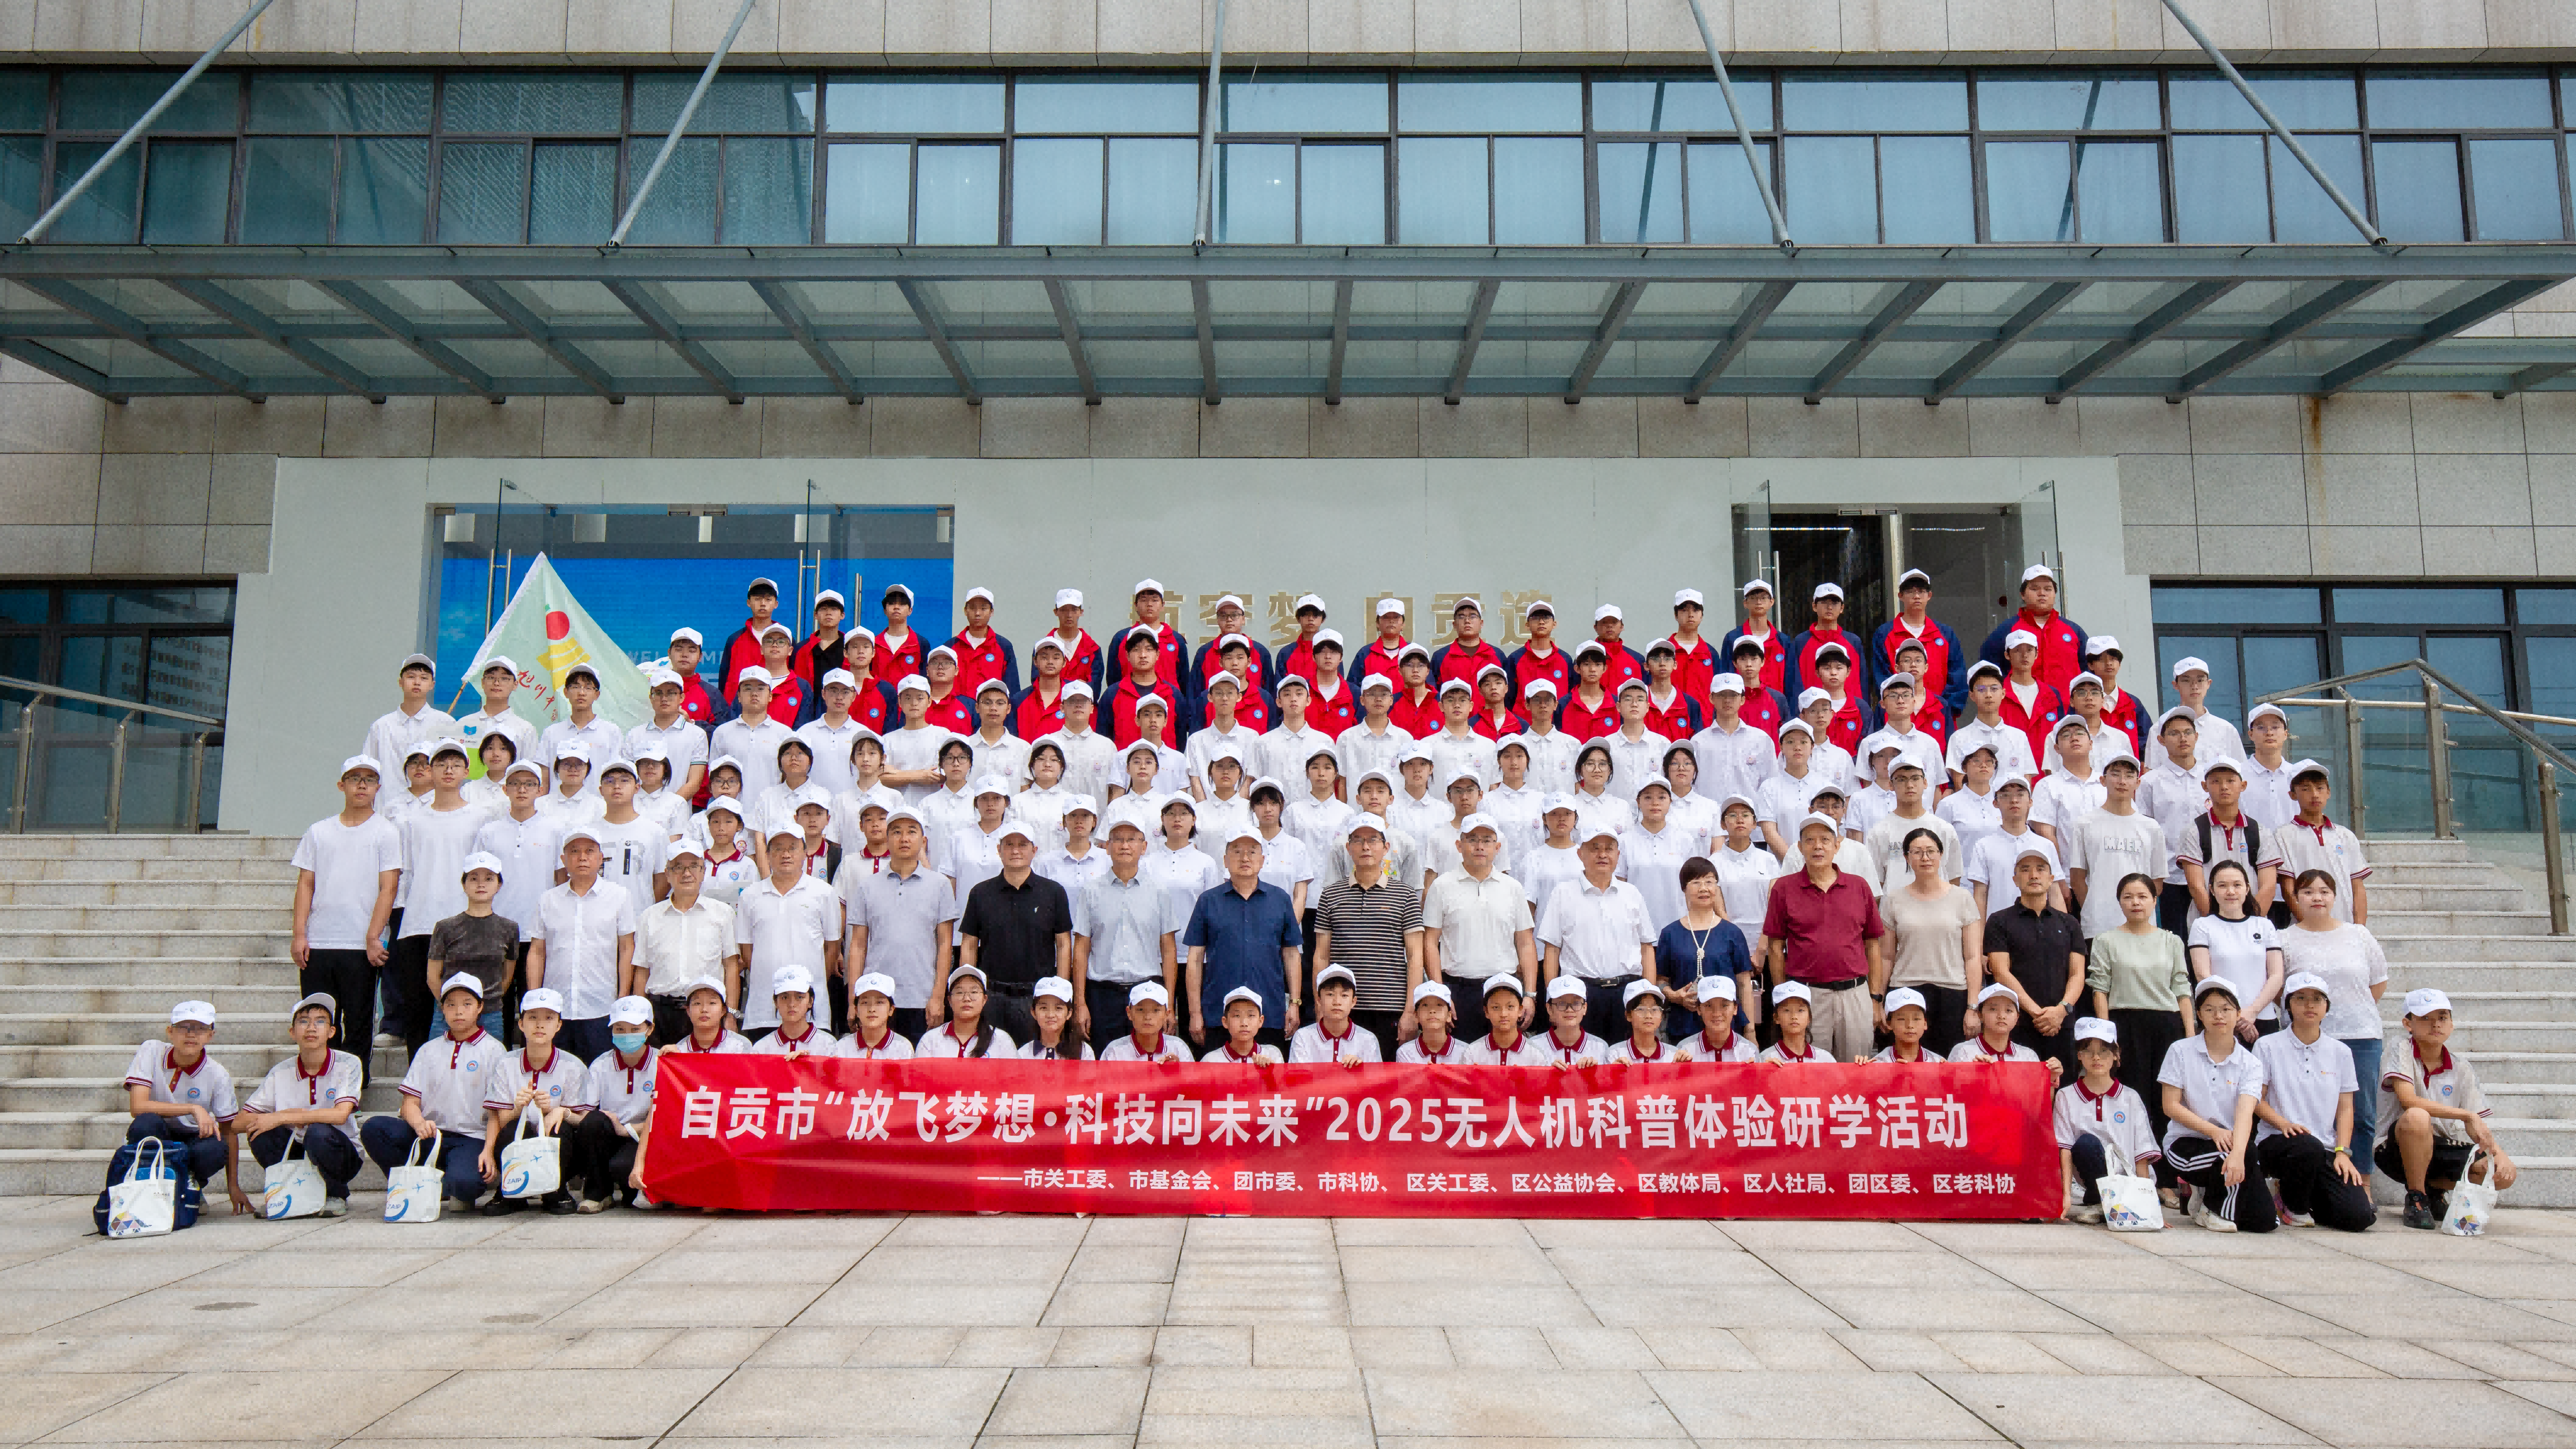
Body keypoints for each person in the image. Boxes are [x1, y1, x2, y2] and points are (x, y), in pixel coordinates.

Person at [360, 973, 506, 1213]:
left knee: (466, 1184)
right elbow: (409, 1103)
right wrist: (419, 1123)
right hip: (430, 1135)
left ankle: (445, 1185)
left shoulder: (494, 1051)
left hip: (471, 1139)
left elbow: (495, 1113)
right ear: (442, 1009)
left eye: (467, 1004)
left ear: (480, 1007)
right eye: (451, 1005)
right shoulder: (429, 1050)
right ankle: (416, 1183)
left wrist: (489, 1151)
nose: (459, 1011)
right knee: (374, 1129)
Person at [291, 756, 402, 1070]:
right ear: (342, 785)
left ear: (378, 787)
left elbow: (389, 888)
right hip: (319, 941)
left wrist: (373, 936)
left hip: (359, 944)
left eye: (370, 779)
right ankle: (319, 1076)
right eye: (355, 779)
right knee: (318, 1018)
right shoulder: (319, 832)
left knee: (358, 1018)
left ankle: (354, 1084)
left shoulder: (386, 832)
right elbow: (306, 884)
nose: (362, 785)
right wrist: (299, 934)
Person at [2276, 868, 2391, 1164]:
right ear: (2296, 897)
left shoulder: (2358, 934)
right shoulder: (2283, 939)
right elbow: (2278, 989)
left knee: (2362, 1112)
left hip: (2360, 1035)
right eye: (2308, 892)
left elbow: (2378, 983)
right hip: (2306, 1039)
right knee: (2307, 1110)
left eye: (2324, 892)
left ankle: (2361, 1178)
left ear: (2335, 897)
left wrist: (2349, 1008)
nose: (2317, 898)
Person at [2381, 987, 2517, 1230]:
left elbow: (2475, 1122)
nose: (2436, 1024)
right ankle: (2417, 1199)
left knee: (2499, 1172)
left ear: (2452, 1024)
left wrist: (2497, 1152)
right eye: (2425, 1018)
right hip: (2395, 1147)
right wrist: (2466, 1115)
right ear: (2408, 1024)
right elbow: (2408, 1100)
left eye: (2443, 1018)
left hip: (2438, 1146)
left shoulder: (2461, 1067)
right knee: (2417, 1117)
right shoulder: (2399, 1048)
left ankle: (2434, 1191)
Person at [2251, 972, 2377, 1232]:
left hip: (2324, 1148)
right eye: (2301, 998)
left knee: (2359, 1217)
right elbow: (2255, 1100)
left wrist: (2342, 1152)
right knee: (2307, 1145)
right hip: (2278, 1142)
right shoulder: (2267, 1046)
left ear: (2326, 1007)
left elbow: (2345, 1109)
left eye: (2317, 999)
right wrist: (2284, 1124)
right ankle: (2292, 1205)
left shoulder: (2341, 1052)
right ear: (2288, 1005)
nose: (2310, 1005)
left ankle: (2307, 1198)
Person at [1760, 812, 1885, 1061]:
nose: (1818, 846)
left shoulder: (1859, 887)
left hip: (1855, 993)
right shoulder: (1784, 889)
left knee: (1857, 1070)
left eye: (1825, 840)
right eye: (1810, 840)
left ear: (1837, 846)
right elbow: (1775, 948)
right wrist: (1785, 999)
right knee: (1810, 1072)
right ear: (1800, 847)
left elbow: (1872, 944)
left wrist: (1875, 998)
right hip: (1808, 996)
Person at [2158, 978, 2275, 1233]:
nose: (2218, 1016)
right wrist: (2214, 1132)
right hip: (2185, 1143)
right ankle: (2210, 1209)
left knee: (2264, 1221)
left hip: (2228, 1144)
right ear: (2199, 1014)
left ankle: (2207, 1195)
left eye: (2226, 1009)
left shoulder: (2251, 1063)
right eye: (2209, 1009)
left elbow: (2246, 1113)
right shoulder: (2180, 1051)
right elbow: (2171, 1106)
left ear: (2239, 1014)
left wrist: (2238, 1154)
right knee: (2238, 1155)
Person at [2087, 872, 2193, 1153]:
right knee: (2131, 1098)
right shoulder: (2105, 941)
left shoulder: (2171, 941)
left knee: (2167, 1099)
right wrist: (2107, 1039)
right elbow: (2100, 990)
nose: (2136, 903)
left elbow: (2182, 990)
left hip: (2167, 1026)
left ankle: (2168, 1169)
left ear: (2155, 901)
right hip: (2125, 1026)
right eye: (2128, 897)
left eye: (2143, 896)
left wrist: (2191, 1037)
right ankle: (2133, 1164)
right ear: (2119, 902)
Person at [392, 740, 486, 1056]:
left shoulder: (481, 818)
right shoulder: (411, 820)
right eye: (441, 764)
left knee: (466, 1007)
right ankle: (419, 1075)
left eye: (456, 764)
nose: (448, 771)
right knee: (418, 1008)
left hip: (464, 923)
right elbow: (404, 873)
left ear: (467, 771)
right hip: (418, 923)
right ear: (430, 770)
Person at [235, 992, 364, 1218]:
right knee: (259, 1131)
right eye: (304, 1022)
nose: (311, 1028)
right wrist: (277, 1118)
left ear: (332, 1032)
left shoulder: (348, 1064)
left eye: (320, 1022)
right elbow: (238, 1122)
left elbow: (340, 1115)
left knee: (317, 1132)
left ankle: (335, 1193)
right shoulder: (281, 1071)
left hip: (340, 1150)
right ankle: (286, 1191)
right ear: (292, 1032)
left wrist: (283, 1116)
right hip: (297, 1147)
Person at [841, 804, 956, 1042]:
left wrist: (938, 996)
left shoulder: (940, 885)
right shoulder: (867, 886)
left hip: (922, 997)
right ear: (887, 838)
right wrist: (854, 1000)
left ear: (923, 840)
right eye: (896, 832)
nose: (904, 838)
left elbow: (945, 945)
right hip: (875, 999)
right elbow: (858, 946)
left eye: (912, 831)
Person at [1182, 829, 1304, 1049]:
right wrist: (1195, 1013)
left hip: (1269, 1013)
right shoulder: (1208, 901)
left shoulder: (1280, 899)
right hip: (1218, 1015)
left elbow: (1292, 955)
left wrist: (1294, 1003)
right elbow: (1195, 959)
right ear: (1225, 860)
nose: (1245, 858)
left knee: (1268, 1070)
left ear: (1263, 860)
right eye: (1237, 852)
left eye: (1252, 852)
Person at [1312, 819, 1424, 1057]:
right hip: (1342, 1009)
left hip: (1391, 1008)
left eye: (1373, 840)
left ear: (1386, 847)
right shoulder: (1330, 895)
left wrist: (1410, 1011)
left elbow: (1416, 957)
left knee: (1387, 1078)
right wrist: (1319, 1005)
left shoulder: (1405, 895)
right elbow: (1321, 955)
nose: (1365, 847)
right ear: (1348, 848)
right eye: (1358, 840)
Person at [954, 821, 1075, 1042]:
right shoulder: (981, 893)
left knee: (1035, 1059)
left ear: (1034, 850)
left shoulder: (1053, 892)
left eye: (1023, 845)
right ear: (999, 850)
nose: (1016, 851)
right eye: (1009, 845)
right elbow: (969, 944)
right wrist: (970, 991)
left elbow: (1064, 944)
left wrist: (1060, 993)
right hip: (992, 997)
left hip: (1037, 999)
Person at [1540, 825, 1660, 1045]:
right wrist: (1553, 997)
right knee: (1583, 1059)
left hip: (1628, 992)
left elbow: (1646, 947)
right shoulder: (1562, 894)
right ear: (1580, 854)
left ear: (1618, 855)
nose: (1603, 855)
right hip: (1579, 995)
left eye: (1609, 849)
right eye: (1595, 848)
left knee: (1626, 1060)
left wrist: (1649, 999)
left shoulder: (1632, 893)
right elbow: (1552, 949)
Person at [476, 986, 588, 1216]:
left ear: (559, 1025)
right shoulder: (506, 1063)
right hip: (518, 1135)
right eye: (533, 1018)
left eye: (549, 1018)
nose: (540, 1025)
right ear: (521, 1024)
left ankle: (556, 1190)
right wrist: (518, 1109)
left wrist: (559, 1111)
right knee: (512, 1128)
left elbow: (584, 1118)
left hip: (555, 1140)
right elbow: (498, 1119)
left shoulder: (573, 1066)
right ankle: (512, 1191)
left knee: (560, 1127)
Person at [1072, 816, 1181, 1049]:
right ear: (1107, 847)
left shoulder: (1160, 892)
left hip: (1148, 994)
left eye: (1132, 840)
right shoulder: (1091, 892)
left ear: (1144, 847)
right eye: (1118, 840)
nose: (1124, 846)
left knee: (1148, 1062)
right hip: (1103, 995)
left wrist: (1169, 1004)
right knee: (1104, 1062)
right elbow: (1081, 949)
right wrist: (1080, 1003)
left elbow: (1169, 950)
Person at [122, 1000, 240, 1204]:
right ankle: (149, 1187)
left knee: (216, 1149)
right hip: (159, 1130)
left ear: (211, 1035)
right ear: (170, 1032)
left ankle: (189, 1184)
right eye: (184, 1027)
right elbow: (138, 1107)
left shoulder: (218, 1073)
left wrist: (234, 1187)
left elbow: (229, 1131)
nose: (191, 1035)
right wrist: (193, 1108)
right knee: (145, 1124)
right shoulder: (151, 1050)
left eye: (201, 1029)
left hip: (194, 1136)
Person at [1879, 829, 1984, 1059]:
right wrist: (1878, 1000)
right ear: (1907, 857)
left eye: (1931, 851)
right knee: (1906, 1065)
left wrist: (1972, 1007)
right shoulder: (1893, 900)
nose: (1925, 858)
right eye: (1917, 852)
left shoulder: (1962, 898)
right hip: (1905, 991)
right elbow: (1886, 957)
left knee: (1948, 1066)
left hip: (1952, 994)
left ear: (1941, 855)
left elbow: (1973, 957)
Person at [1984, 845, 2086, 1077]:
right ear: (2015, 879)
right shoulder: (1999, 921)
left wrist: (2061, 1010)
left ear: (2051, 879)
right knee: (2018, 1090)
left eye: (2041, 869)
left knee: (2062, 1090)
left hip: (2061, 1024)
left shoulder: (2069, 923)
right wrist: (2038, 1013)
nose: (2033, 875)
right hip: (2017, 1024)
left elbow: (2078, 974)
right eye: (2025, 869)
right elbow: (2001, 972)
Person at [732, 830, 838, 1043]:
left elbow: (832, 947)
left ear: (805, 853)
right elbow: (747, 951)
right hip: (763, 1011)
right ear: (768, 855)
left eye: (792, 848)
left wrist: (812, 983)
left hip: (812, 1012)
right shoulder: (750, 896)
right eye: (778, 849)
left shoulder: (824, 893)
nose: (786, 855)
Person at [1421, 814, 1539, 1005]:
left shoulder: (1513, 887)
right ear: (1459, 846)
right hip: (1457, 990)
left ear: (1497, 847)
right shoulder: (1441, 886)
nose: (1479, 847)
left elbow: (1525, 942)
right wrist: (1440, 994)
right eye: (1472, 840)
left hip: (1505, 990)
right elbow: (1430, 941)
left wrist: (1530, 995)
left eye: (1487, 840)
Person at [631, 841, 739, 1048]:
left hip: (707, 1013)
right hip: (659, 1013)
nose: (687, 873)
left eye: (694, 866)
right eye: (678, 867)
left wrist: (731, 1014)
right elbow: (642, 971)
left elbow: (732, 966)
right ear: (667, 873)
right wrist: (639, 1018)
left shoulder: (723, 913)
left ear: (703, 871)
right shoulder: (649, 916)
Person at [2056, 1018, 2160, 1225]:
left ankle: (2106, 1207)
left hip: (2128, 1181)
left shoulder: (2130, 1097)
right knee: (2086, 1144)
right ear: (2079, 1056)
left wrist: (2149, 1206)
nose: (2096, 1058)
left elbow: (2141, 1152)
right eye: (2088, 1051)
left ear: (2115, 1054)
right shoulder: (2066, 1096)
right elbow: (2065, 1149)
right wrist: (2065, 1195)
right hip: (2091, 1179)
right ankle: (2101, 1202)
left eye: (2104, 1051)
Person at [2064, 755, 2166, 943]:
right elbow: (2077, 878)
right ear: (2103, 780)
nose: (2122, 781)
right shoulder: (2085, 824)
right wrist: (2094, 911)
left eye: (2129, 775)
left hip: (2141, 928)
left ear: (2138, 783)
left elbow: (2157, 881)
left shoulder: (2151, 827)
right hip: (2098, 927)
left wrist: (2140, 912)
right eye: (2116, 774)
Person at [571, 996, 659, 1212]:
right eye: (620, 1029)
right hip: (610, 1134)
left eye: (635, 1029)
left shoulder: (661, 1064)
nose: (627, 1035)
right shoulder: (601, 1065)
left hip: (645, 1138)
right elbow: (585, 1114)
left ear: (650, 1029)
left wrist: (625, 1129)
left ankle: (634, 1192)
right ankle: (598, 1194)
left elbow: (664, 1120)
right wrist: (563, 1113)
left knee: (624, 1170)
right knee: (593, 1122)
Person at [1651, 859, 1752, 1041]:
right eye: (1696, 882)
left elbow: (1744, 985)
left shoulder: (1733, 933)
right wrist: (1675, 996)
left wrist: (1750, 1031)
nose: (1704, 888)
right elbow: (1660, 981)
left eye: (1709, 882)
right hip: (1684, 1026)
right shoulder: (1670, 934)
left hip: (1727, 1027)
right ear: (1684, 889)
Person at [2187, 860, 2286, 1042]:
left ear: (2247, 889)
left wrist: (2252, 1012)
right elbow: (2204, 977)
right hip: (2222, 1021)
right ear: (2212, 890)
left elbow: (2276, 976)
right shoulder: (2202, 926)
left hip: (2263, 1017)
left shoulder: (2264, 925)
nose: (2231, 891)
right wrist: (2235, 1016)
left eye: (2237, 885)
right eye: (2222, 886)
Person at [428, 852, 518, 1040]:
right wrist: (451, 1005)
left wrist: (481, 1006)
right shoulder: (445, 927)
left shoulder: (509, 929)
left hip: (490, 1015)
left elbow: (507, 977)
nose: (481, 884)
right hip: (448, 1016)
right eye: (474, 878)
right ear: (464, 885)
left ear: (499, 885)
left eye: (489, 879)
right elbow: (433, 976)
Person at [2179, 760, 2281, 922]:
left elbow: (2268, 887)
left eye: (2231, 781)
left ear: (2243, 785)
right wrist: (2218, 925)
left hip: (2252, 923)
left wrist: (2250, 924)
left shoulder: (2260, 832)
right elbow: (2196, 887)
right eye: (2216, 781)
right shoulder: (2194, 831)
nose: (2224, 787)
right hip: (2207, 923)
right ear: (2205, 786)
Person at [2274, 760, 2369, 925]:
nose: (2315, 794)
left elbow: (2358, 888)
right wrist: (2311, 926)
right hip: (2306, 929)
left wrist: (2359, 929)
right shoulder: (2284, 835)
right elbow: (2288, 890)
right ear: (2293, 795)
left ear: (2329, 792)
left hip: (2345, 926)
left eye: (2320, 788)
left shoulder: (2345, 835)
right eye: (2306, 789)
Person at [1962, 774, 2065, 915]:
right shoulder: (1983, 846)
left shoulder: (2046, 845)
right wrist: (1980, 930)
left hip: (2041, 926)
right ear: (1995, 803)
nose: (2014, 800)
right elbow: (1980, 895)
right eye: (2006, 795)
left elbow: (2055, 893)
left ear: (2030, 802)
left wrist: (2063, 927)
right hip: (1998, 927)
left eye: (2020, 795)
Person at [363, 652, 460, 782]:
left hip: (432, 796)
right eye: (411, 677)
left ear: (432, 685)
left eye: (424, 678)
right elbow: (368, 770)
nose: (417, 682)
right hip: (389, 796)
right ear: (400, 682)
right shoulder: (381, 726)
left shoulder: (447, 723)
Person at [710, 670, 796, 803]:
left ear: (770, 696)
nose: (754, 694)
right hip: (732, 812)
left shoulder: (785, 733)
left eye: (761, 689)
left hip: (771, 810)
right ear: (739, 696)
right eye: (748, 689)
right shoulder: (722, 733)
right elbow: (714, 778)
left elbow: (790, 777)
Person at [630, 667, 712, 801]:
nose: (664, 699)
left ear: (682, 698)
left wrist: (668, 808)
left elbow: (694, 782)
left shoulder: (697, 735)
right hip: (639, 811)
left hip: (678, 811)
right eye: (658, 693)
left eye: (671, 693)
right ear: (651, 698)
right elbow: (630, 779)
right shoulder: (635, 735)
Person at [2157, 656, 2245, 768]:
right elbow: (2152, 770)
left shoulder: (2227, 730)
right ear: (2175, 685)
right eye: (2186, 680)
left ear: (2209, 683)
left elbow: (2241, 771)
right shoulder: (2160, 728)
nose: (2194, 687)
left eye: (2200, 680)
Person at [456, 655, 538, 774]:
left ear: (515, 685)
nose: (496, 683)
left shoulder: (526, 730)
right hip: (469, 787)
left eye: (504, 679)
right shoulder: (463, 724)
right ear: (482, 682)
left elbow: (528, 774)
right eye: (491, 678)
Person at [1949, 984, 2049, 1078]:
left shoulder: (2029, 1057)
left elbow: (2038, 1091)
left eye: (2009, 1010)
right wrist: (1976, 1075)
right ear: (1980, 1015)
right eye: (1993, 1009)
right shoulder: (1963, 1051)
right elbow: (1951, 1089)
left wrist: (2051, 1079)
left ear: (2017, 1018)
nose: (2001, 1016)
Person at [1288, 964, 1383, 1063]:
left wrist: (1360, 1070)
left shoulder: (1369, 1040)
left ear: (1353, 1001)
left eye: (1344, 995)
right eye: (1330, 994)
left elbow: (1376, 1074)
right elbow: (1298, 1073)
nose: (1337, 1002)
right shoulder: (1303, 1037)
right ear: (1319, 1000)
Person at [918, 963, 1014, 1057]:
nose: (967, 999)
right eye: (960, 992)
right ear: (950, 1000)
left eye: (974, 992)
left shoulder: (1002, 1041)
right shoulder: (930, 1041)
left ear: (984, 1000)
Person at [715, 576, 788, 697]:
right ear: (749, 603)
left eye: (768, 599)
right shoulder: (734, 640)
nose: (763, 604)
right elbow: (724, 681)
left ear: (776, 604)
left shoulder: (786, 639)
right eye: (757, 599)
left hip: (778, 705)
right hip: (739, 708)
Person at [751, 964, 833, 1054]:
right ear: (776, 1002)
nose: (792, 1004)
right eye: (785, 997)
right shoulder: (761, 1048)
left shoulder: (829, 1045)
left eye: (799, 997)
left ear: (810, 1001)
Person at [1099, 980, 1190, 1061]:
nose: (1148, 1017)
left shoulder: (1179, 1048)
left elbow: (1192, 1075)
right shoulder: (1115, 1051)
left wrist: (1179, 1071)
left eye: (1156, 1010)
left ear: (1166, 1014)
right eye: (1141, 1010)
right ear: (1129, 1013)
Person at [667, 975, 754, 1054]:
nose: (704, 1010)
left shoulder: (740, 1046)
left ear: (723, 1010)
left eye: (712, 1003)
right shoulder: (680, 1051)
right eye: (697, 1003)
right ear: (688, 1011)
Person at [835, 973, 914, 1059]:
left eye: (880, 1002)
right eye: (865, 1003)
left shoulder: (903, 1048)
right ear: (856, 1010)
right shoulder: (842, 1047)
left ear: (891, 1009)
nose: (872, 1009)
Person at [1201, 985, 1284, 1065]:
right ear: (1225, 1022)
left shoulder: (1273, 1054)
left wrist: (1268, 1071)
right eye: (1237, 1016)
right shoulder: (1210, 1060)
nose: (1244, 1023)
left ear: (1260, 1021)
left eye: (1251, 1015)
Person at [1018, 976, 1095, 1060]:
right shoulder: (1023, 1054)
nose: (1051, 1015)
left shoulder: (1084, 1052)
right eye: (1044, 1008)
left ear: (1069, 1013)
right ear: (1034, 1012)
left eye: (1058, 1008)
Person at [1756, 981, 1826, 1064]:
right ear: (1776, 1018)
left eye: (1800, 1010)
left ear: (1809, 1017)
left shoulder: (1825, 1059)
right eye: (1787, 1010)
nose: (1794, 1016)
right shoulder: (1765, 1059)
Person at [1870, 986, 1940, 1065]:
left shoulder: (1937, 1063)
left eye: (1916, 1019)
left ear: (1925, 1023)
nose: (1910, 1025)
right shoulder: (1879, 1063)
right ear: (1889, 1024)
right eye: (1902, 1019)